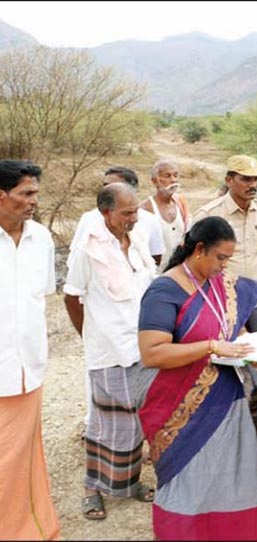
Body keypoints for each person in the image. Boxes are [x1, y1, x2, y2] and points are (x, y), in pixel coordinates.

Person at [137, 216, 257, 540]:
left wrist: (254, 350)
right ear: (198, 250)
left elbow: (236, 330)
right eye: (220, 258)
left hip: (227, 401)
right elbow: (152, 353)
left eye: (228, 259)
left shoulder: (223, 286)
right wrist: (210, 347)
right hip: (181, 409)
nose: (224, 267)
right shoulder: (164, 290)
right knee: (189, 486)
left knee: (236, 481)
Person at [64, 183, 158, 520]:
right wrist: (89, 336)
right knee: (104, 422)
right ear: (106, 212)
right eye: (127, 213)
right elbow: (72, 297)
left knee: (136, 420)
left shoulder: (138, 240)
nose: (135, 218)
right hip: (108, 350)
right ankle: (92, 489)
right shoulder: (87, 250)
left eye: (135, 211)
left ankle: (129, 483)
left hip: (142, 346)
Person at [0, 159, 61, 540]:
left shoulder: (41, 239)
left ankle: (24, 528)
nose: (34, 201)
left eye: (36, 193)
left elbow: (40, 299)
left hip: (28, 369)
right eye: (26, 193)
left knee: (21, 461)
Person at [194, 154, 257, 330]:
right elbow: (192, 261)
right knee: (221, 346)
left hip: (254, 300)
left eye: (255, 179)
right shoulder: (209, 215)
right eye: (246, 179)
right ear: (229, 180)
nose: (253, 185)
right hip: (219, 301)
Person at [70, 166, 166, 267]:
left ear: (131, 190)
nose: (107, 190)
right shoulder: (89, 218)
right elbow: (75, 258)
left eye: (114, 186)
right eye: (105, 185)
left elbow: (155, 258)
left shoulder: (149, 221)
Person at [140, 159, 191, 272]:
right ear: (154, 181)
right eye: (167, 176)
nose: (173, 180)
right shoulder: (146, 209)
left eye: (175, 175)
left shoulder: (181, 204)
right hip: (156, 273)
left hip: (179, 272)